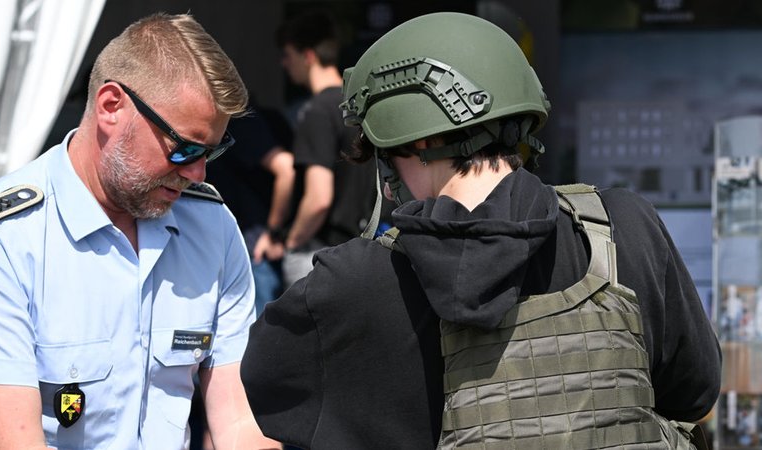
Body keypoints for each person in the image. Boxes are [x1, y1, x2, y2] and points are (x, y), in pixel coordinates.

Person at [241, 12, 721, 449]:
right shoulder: (623, 227)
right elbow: (694, 395)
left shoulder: (353, 284)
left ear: (420, 139)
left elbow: (268, 394)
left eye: (381, 152)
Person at [0, 13, 277, 450]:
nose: (197, 172)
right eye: (183, 148)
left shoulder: (213, 227)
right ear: (112, 106)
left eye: (212, 151)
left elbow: (240, 420)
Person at [275, 10, 384, 287]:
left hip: (322, 252)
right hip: (364, 249)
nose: (284, 64)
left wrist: (291, 241)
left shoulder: (317, 112)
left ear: (308, 55)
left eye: (288, 55)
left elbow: (319, 198)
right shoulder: (359, 106)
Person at [206, 102, 295, 314]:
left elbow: (286, 168)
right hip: (227, 243)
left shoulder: (239, 121)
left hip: (253, 245)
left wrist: (272, 232)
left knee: (256, 337)